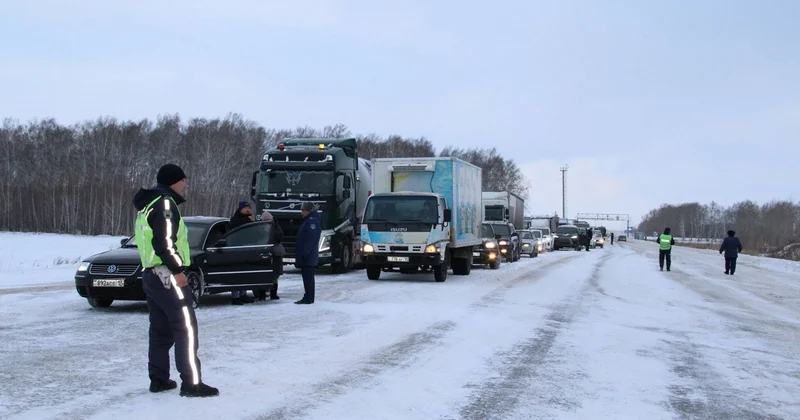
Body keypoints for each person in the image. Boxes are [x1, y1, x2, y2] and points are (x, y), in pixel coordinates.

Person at [132, 163, 219, 398]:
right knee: (186, 329)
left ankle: (158, 379)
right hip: (167, 276)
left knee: (160, 331)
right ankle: (191, 383)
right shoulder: (164, 204)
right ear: (172, 182)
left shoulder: (149, 205)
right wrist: (178, 270)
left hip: (152, 275)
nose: (186, 184)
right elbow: (164, 244)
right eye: (183, 180)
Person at [228, 200, 255, 305]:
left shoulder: (249, 219)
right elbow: (238, 229)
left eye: (249, 207)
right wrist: (248, 222)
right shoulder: (236, 219)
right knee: (237, 273)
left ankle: (243, 294)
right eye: (246, 208)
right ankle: (235, 296)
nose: (248, 209)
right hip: (236, 249)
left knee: (245, 273)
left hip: (247, 248)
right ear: (241, 209)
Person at [294, 202, 321, 304]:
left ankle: (309, 297)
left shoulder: (312, 221)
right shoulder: (309, 220)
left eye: (303, 210)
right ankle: (307, 295)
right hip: (307, 255)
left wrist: (305, 253)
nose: (302, 212)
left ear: (308, 210)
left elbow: (311, 239)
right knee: (306, 277)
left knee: (308, 277)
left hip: (308, 256)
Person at [257, 210, 284, 300]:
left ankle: (273, 293)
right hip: (264, 252)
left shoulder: (275, 226)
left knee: (275, 274)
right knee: (262, 274)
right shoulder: (259, 227)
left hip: (275, 252)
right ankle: (262, 294)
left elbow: (280, 236)